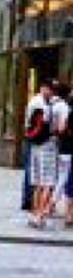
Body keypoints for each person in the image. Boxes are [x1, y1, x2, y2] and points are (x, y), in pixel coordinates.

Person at [26, 79, 57, 228]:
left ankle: (34, 214)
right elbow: (45, 127)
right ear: (44, 88)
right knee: (47, 183)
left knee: (37, 182)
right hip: (45, 145)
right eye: (50, 89)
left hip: (34, 144)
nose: (52, 93)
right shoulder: (42, 104)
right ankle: (39, 216)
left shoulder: (34, 101)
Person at [50, 82, 73, 226]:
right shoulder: (64, 108)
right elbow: (62, 127)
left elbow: (60, 128)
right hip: (68, 150)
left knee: (62, 178)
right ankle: (52, 205)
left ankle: (54, 206)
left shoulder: (56, 105)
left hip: (62, 147)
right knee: (65, 179)